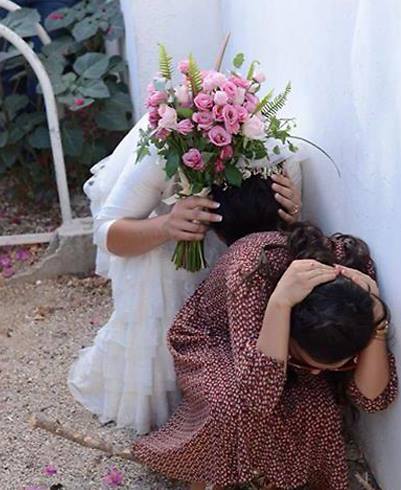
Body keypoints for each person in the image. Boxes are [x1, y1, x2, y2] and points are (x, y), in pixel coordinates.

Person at [132, 179, 398, 490]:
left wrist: (376, 319)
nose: (315, 373)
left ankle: (278, 477)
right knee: (229, 405)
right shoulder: (250, 269)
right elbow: (259, 395)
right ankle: (209, 476)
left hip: (278, 344)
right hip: (218, 337)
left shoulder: (353, 291)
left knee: (317, 410)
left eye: (337, 367)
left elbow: (373, 398)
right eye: (310, 364)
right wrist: (280, 302)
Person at [68, 114, 303, 435]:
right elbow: (107, 234)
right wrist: (166, 225)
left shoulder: (277, 162)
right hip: (168, 253)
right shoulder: (164, 154)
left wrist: (293, 214)